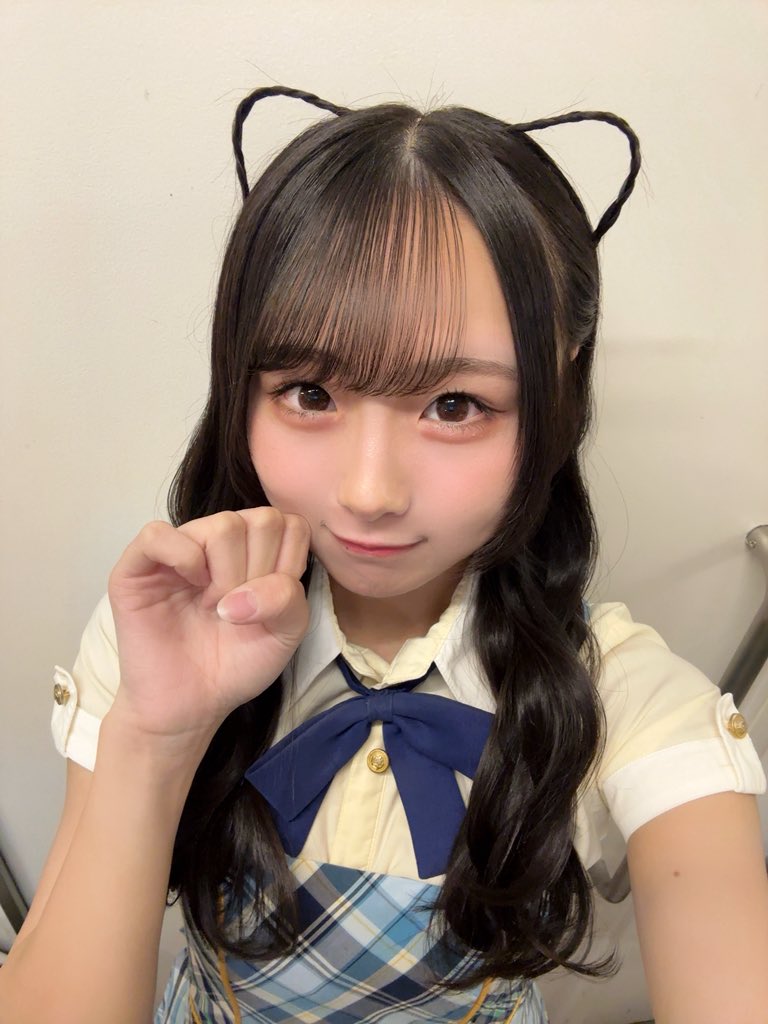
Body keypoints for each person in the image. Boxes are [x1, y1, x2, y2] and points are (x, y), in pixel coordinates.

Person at [1, 85, 767, 1024]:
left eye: (455, 405)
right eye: (309, 393)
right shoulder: (164, 634)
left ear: (557, 395)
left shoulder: (624, 700)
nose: (369, 491)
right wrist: (154, 740)